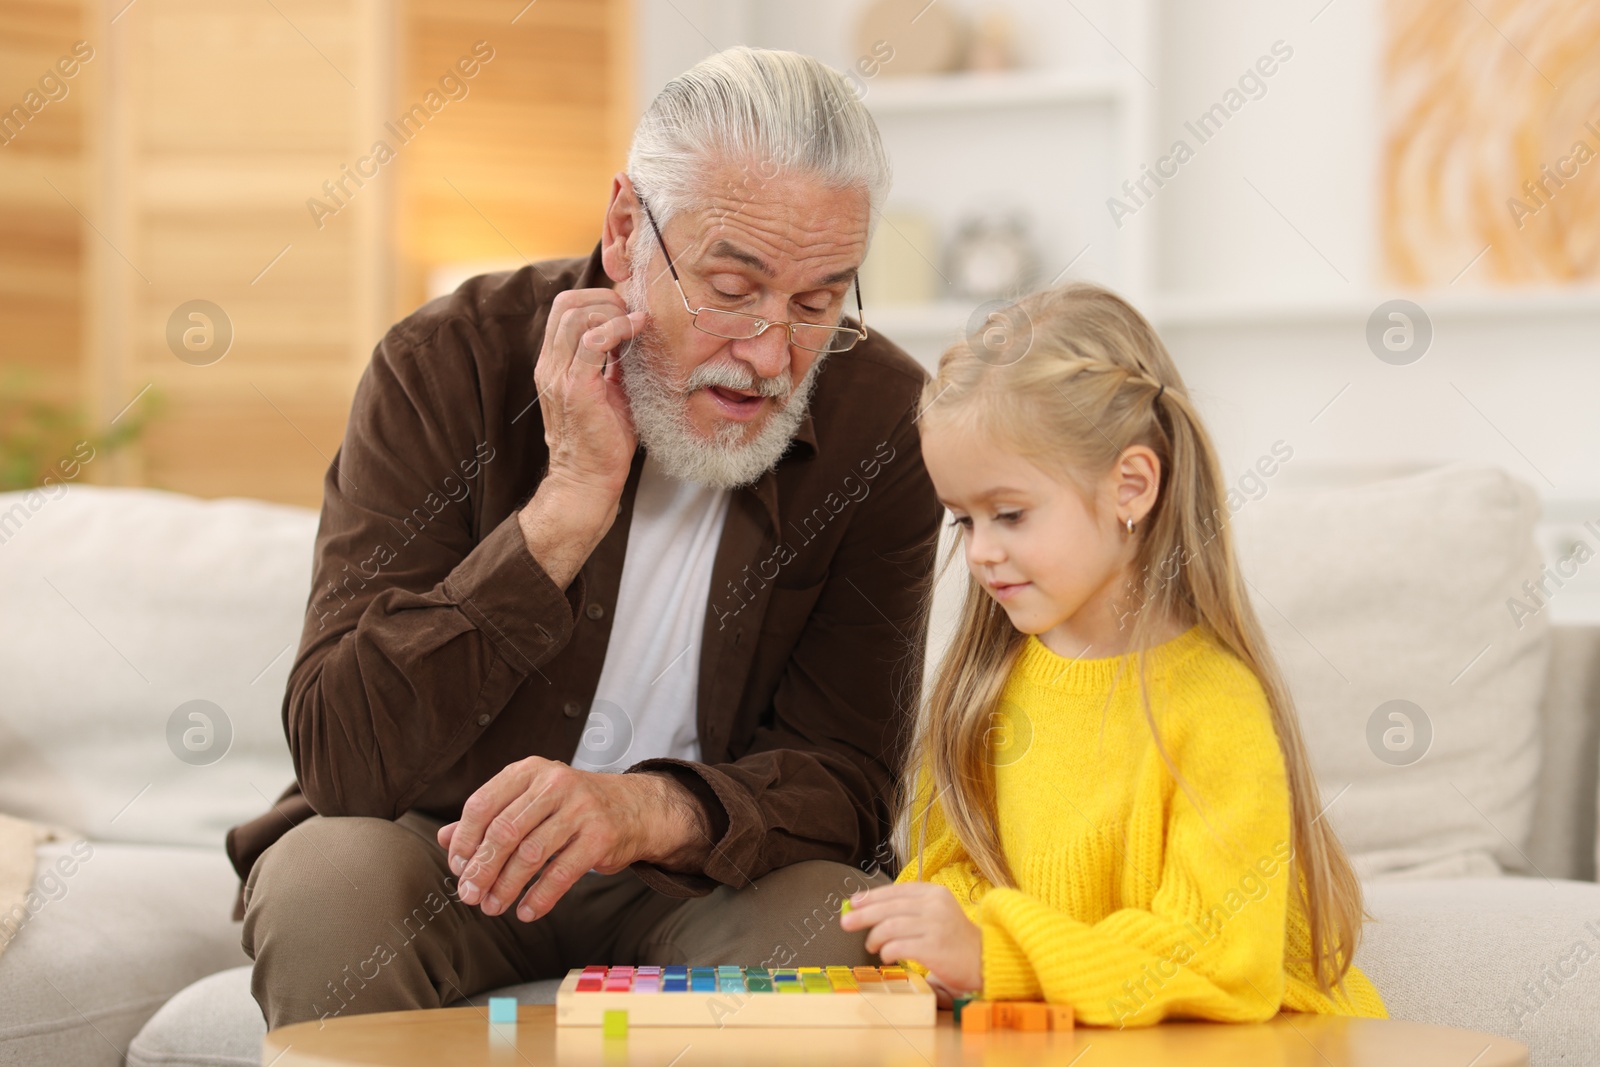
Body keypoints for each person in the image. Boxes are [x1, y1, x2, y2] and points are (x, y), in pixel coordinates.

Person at [229, 47, 943, 1028]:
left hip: (700, 875)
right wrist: (564, 507)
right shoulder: (445, 365)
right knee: (323, 891)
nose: (772, 353)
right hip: (439, 850)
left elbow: (848, 776)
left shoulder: (885, 422)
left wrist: (641, 809)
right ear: (623, 229)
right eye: (731, 288)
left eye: (818, 302)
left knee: (839, 932)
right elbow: (341, 752)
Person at [840, 283, 1389, 1027]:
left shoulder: (1215, 708)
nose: (981, 552)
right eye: (962, 520)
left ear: (1131, 485)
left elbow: (1215, 959)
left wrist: (996, 956)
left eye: (1009, 513)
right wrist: (938, 945)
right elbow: (955, 875)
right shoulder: (983, 687)